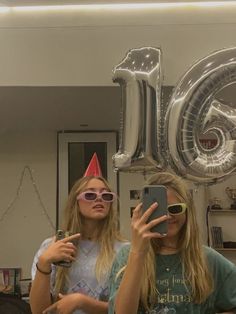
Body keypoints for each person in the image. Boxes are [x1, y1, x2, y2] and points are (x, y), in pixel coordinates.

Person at [108, 172, 236, 314]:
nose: (167, 216)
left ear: (187, 212)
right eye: (159, 210)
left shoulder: (208, 259)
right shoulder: (126, 257)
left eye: (175, 209)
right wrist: (138, 251)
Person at [29, 175, 127, 314]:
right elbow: (39, 311)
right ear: (76, 202)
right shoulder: (51, 247)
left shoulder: (124, 250)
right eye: (90, 194)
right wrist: (44, 262)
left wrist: (82, 302)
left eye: (106, 195)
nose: (99, 198)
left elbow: (129, 309)